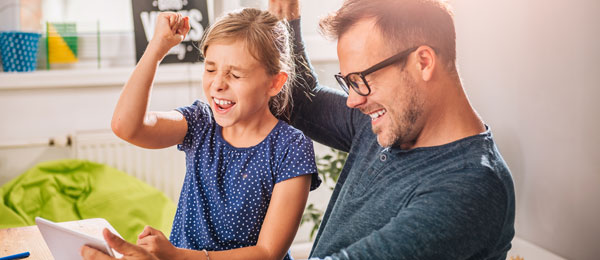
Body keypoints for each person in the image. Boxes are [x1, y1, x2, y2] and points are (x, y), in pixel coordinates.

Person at [271, 0, 516, 259]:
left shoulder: (471, 187)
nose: (353, 100)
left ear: (423, 62)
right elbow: (298, 100)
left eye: (361, 80)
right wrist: (284, 14)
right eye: (348, 83)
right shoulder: (387, 122)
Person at [82, 8, 320, 260]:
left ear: (274, 83)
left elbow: (267, 252)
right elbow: (127, 126)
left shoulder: (291, 147)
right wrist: (156, 49)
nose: (217, 83)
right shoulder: (201, 122)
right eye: (210, 69)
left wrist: (176, 256)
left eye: (235, 74)